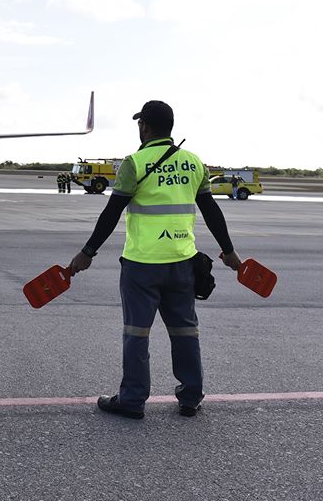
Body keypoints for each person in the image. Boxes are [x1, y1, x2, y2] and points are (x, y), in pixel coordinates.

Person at [68, 100, 243, 419]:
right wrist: (229, 251)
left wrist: (87, 252)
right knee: (185, 331)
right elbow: (211, 210)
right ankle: (191, 396)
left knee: (137, 332)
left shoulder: (134, 163)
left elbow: (112, 213)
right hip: (182, 263)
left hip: (141, 265)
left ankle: (132, 400)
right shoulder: (194, 163)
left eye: (140, 124)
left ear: (144, 127)